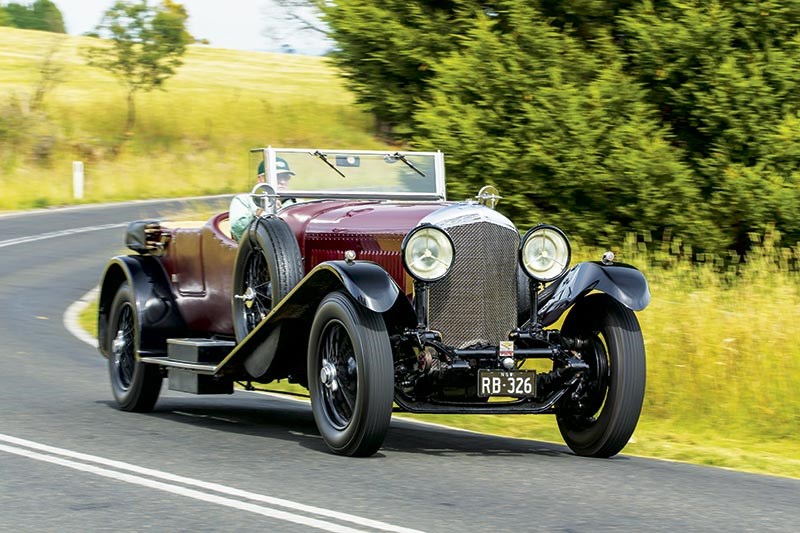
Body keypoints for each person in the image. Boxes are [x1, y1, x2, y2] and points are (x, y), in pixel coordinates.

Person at [229, 157, 295, 241]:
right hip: (255, 250)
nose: (282, 182)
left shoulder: (297, 203)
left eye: (285, 177)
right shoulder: (244, 200)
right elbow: (237, 229)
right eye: (277, 177)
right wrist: (261, 211)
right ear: (261, 179)